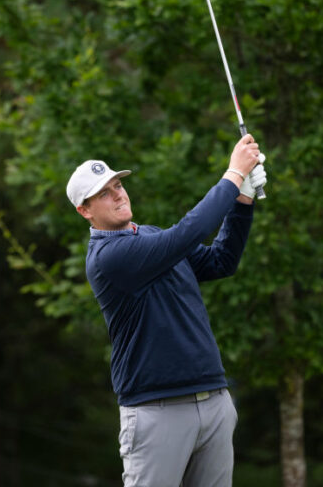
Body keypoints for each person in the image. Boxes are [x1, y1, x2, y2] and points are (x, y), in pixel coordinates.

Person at [66, 134, 266, 487]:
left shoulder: (152, 237)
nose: (118, 194)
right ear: (85, 210)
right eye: (104, 193)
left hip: (214, 399)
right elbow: (188, 234)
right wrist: (234, 174)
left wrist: (243, 200)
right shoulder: (108, 258)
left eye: (117, 185)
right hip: (155, 411)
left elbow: (221, 261)